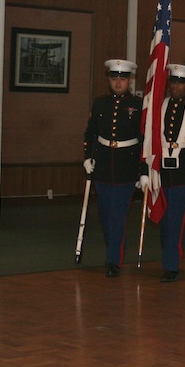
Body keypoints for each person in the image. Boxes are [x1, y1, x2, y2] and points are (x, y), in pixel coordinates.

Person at [82, 59, 143, 278]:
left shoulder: (138, 105)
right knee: (105, 213)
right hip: (103, 164)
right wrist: (88, 156)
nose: (118, 82)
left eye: (123, 79)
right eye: (114, 78)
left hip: (126, 165)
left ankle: (113, 260)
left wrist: (142, 170)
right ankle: (113, 251)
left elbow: (144, 139)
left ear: (130, 80)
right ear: (109, 79)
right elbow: (90, 132)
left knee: (118, 214)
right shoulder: (100, 103)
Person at [153, 63, 185, 283]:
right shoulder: (159, 106)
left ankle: (171, 265)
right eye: (172, 82)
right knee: (165, 219)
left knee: (175, 219)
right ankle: (171, 254)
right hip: (162, 170)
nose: (175, 86)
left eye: (180, 83)